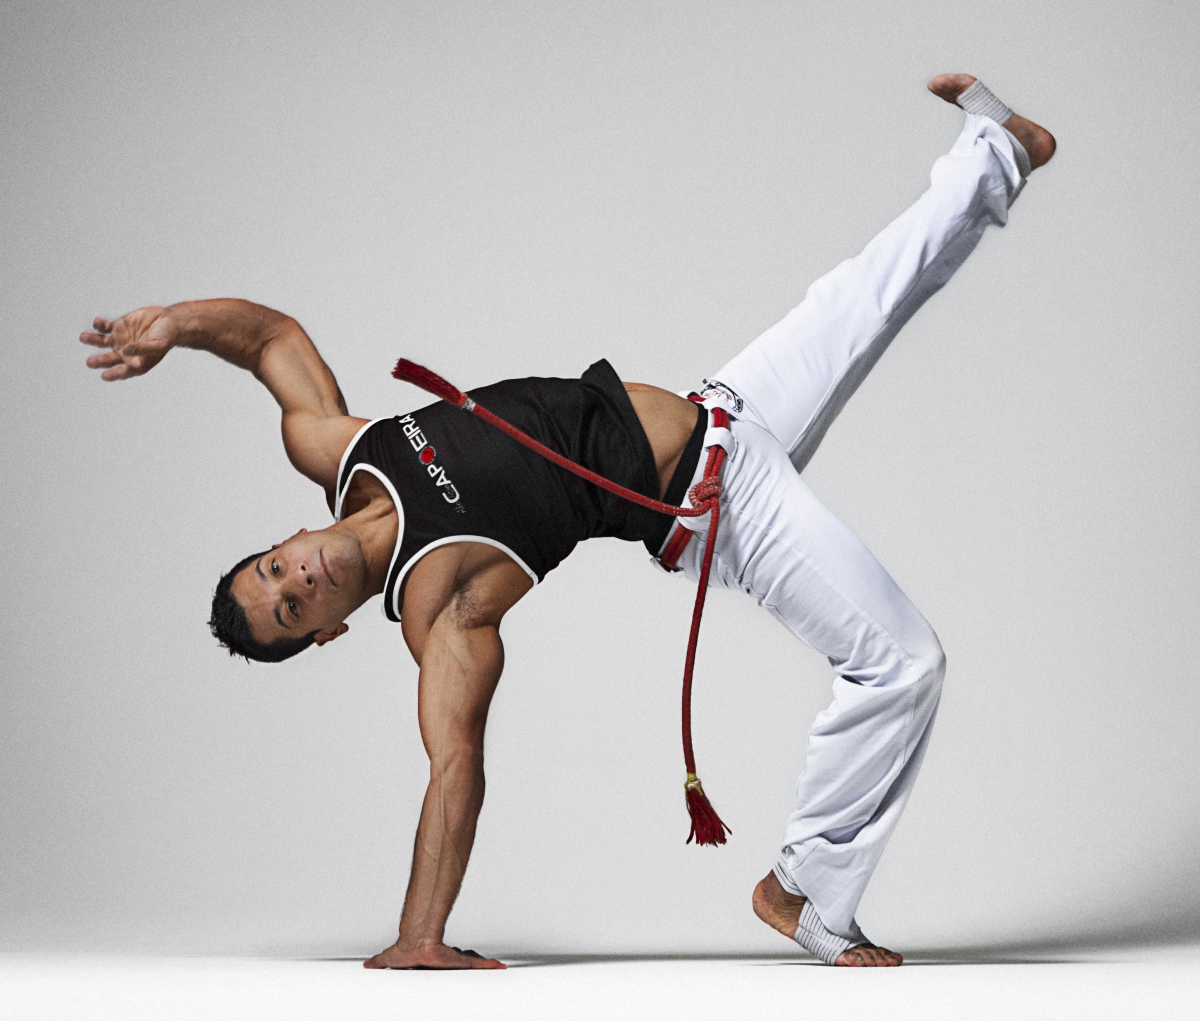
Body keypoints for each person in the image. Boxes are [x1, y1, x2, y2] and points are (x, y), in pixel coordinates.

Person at [80, 74, 1055, 969]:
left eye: (273, 571)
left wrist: (175, 323)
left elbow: (273, 340)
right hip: (721, 506)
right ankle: (805, 889)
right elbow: (454, 765)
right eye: (294, 610)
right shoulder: (440, 610)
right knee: (903, 662)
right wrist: (421, 935)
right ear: (330, 630)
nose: (296, 582)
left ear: (282, 539)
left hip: (724, 410)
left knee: (867, 291)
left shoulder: (342, 449)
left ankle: (997, 151)